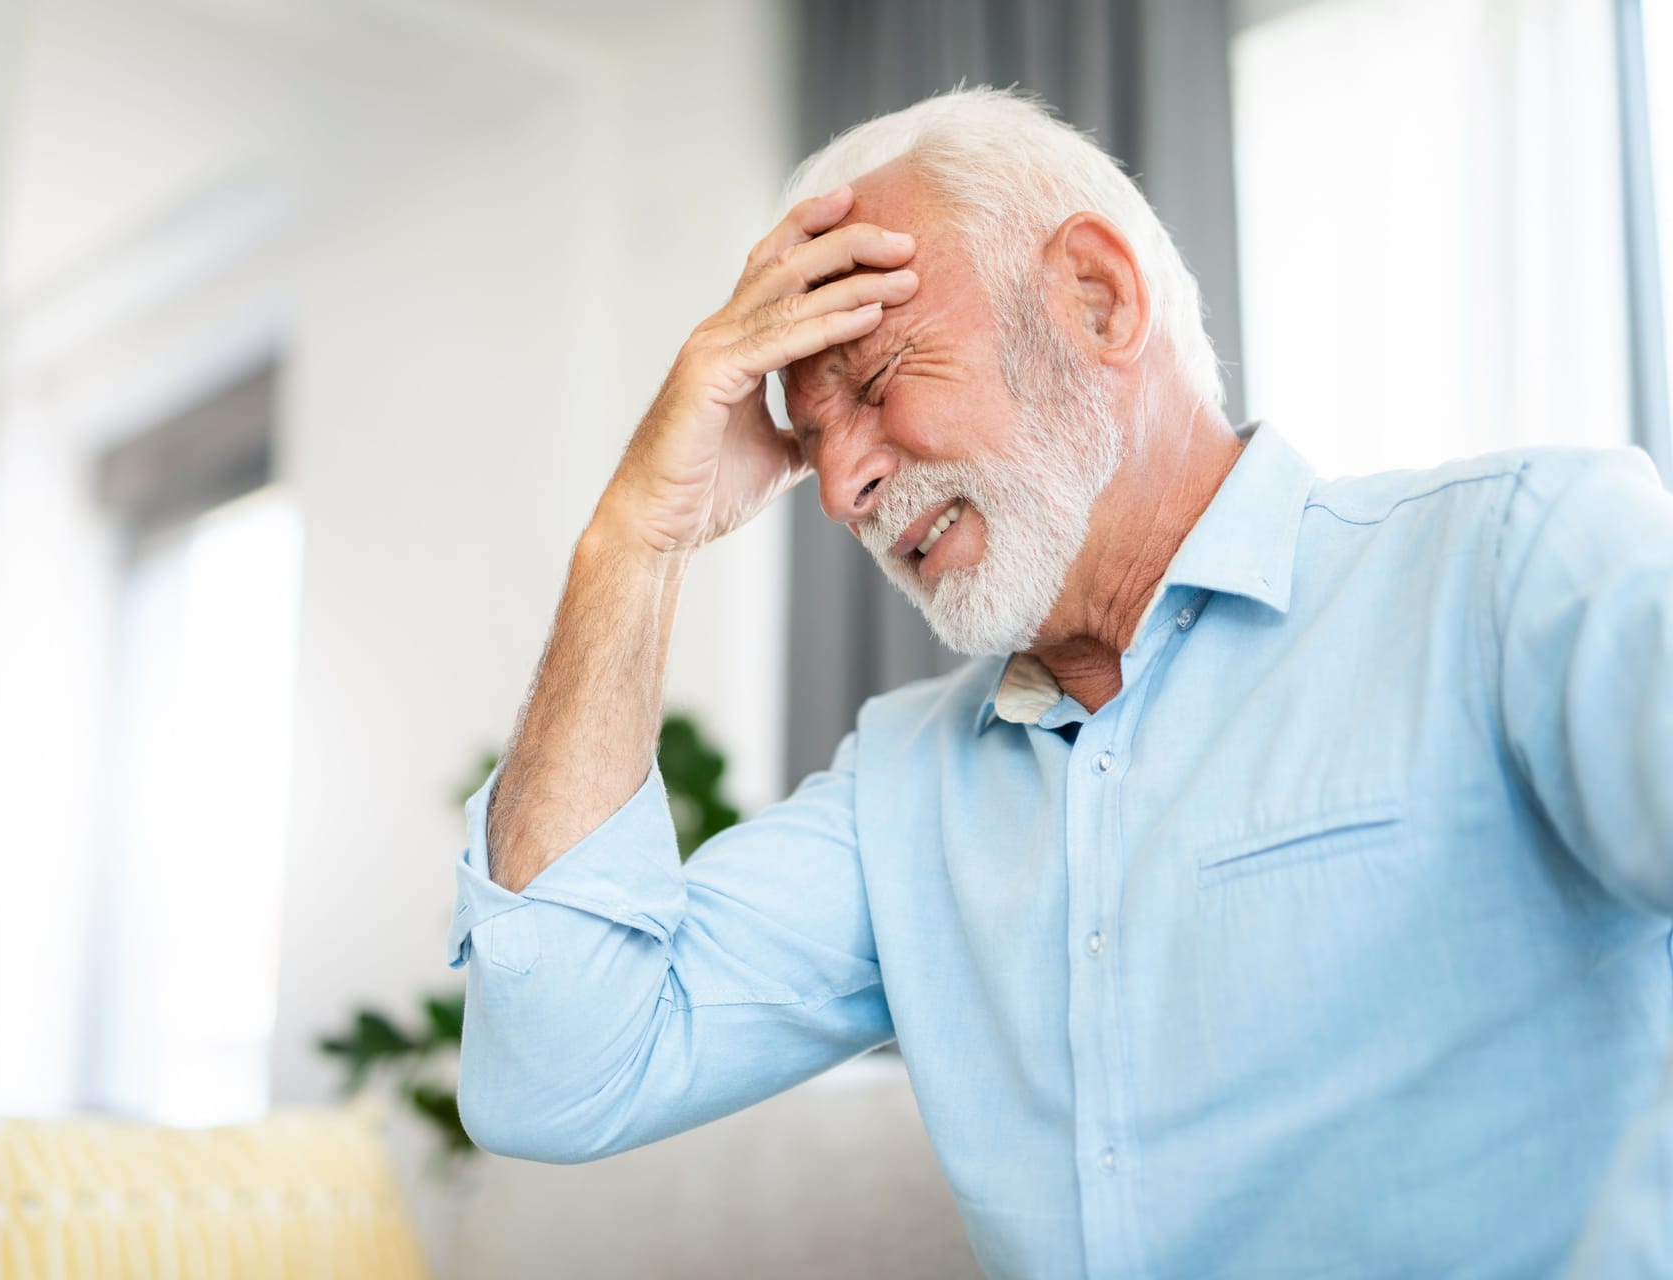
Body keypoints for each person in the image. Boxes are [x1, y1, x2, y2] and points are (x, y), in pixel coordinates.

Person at [446, 87, 1673, 1277]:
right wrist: (635, 538)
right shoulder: (905, 789)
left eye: (877, 387)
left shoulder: (1514, 562)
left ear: (1095, 297)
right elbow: (562, 1069)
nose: (839, 492)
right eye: (811, 444)